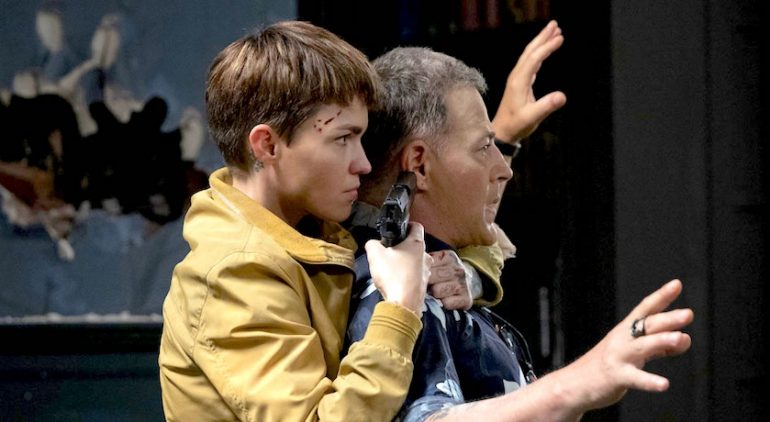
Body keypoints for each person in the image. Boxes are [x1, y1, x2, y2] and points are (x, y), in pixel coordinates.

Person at [346, 23, 694, 421]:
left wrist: (504, 138)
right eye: (483, 147)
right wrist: (578, 382)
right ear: (420, 165)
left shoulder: (426, 269)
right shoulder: (395, 291)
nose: (504, 169)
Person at [158, 20, 434, 421]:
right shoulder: (234, 274)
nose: (363, 163)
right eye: (342, 138)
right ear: (267, 145)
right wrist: (401, 306)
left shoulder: (316, 230)